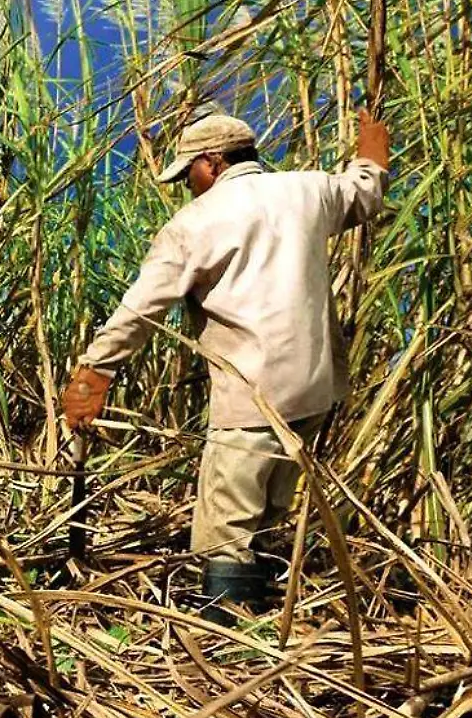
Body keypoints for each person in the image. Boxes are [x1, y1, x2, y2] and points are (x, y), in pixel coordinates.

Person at [59, 109, 390, 610]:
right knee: (271, 507)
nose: (186, 186)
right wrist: (372, 152)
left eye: (188, 171)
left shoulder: (196, 222)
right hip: (314, 387)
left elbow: (141, 308)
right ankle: (263, 615)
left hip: (252, 392)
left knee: (225, 527)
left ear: (211, 163)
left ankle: (226, 640)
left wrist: (94, 371)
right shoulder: (310, 191)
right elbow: (364, 193)